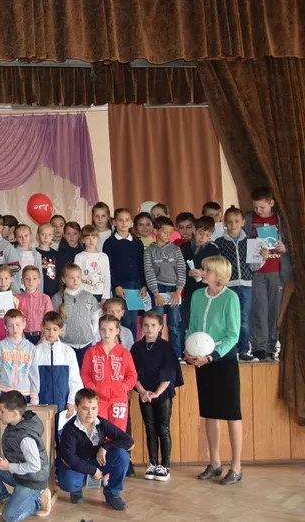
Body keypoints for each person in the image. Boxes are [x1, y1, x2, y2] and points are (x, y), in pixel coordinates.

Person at [186, 256, 244, 485]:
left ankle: (236, 467)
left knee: (232, 414)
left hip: (223, 361)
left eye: (207, 270)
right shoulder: (197, 295)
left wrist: (212, 356)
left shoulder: (231, 298)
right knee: (210, 413)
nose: (202, 272)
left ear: (218, 275)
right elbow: (192, 326)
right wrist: (188, 350)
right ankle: (215, 463)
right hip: (202, 360)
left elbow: (233, 335)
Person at [0, 391, 53, 521]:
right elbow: (17, 454)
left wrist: (9, 466)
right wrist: (1, 458)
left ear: (14, 414)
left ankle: (39, 500)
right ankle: (6, 500)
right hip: (19, 475)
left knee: (10, 517)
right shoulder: (15, 425)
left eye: (2, 411)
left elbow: (35, 466)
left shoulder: (26, 437)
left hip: (32, 481)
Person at [57, 388, 133, 511]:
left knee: (122, 455)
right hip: (77, 464)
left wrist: (105, 447)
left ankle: (112, 493)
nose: (90, 413)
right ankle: (76, 490)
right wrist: (93, 471)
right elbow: (70, 459)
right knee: (68, 482)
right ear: (76, 407)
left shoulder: (102, 423)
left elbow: (128, 441)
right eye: (85, 408)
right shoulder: (69, 429)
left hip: (98, 460)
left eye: (93, 408)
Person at [131, 311, 183, 481]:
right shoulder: (136, 348)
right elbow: (132, 373)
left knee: (163, 428)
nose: (149, 328)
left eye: (153, 325)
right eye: (146, 325)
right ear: (141, 327)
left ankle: (165, 465)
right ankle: (152, 463)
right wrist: (142, 391)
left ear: (160, 327)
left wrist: (157, 393)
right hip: (144, 394)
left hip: (162, 393)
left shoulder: (166, 347)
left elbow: (169, 373)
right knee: (150, 428)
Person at [244, 186, 290, 362]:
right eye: (255, 207)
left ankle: (271, 347)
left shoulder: (280, 219)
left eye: (262, 207)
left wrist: (285, 248)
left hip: (276, 271)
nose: (259, 211)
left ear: (271, 203)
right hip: (256, 271)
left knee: (273, 310)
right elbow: (242, 241)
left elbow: (290, 241)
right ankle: (259, 347)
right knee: (259, 309)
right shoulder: (249, 219)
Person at [215, 207, 259, 361]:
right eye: (229, 222)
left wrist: (262, 257)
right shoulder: (219, 243)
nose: (233, 225)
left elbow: (254, 267)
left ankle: (244, 350)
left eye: (236, 221)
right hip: (228, 286)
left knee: (244, 319)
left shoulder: (250, 242)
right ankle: (230, 349)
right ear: (224, 224)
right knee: (229, 319)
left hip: (246, 285)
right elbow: (218, 266)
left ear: (243, 222)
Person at [81, 315, 137, 432]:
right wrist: (93, 387)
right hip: (97, 400)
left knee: (117, 433)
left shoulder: (124, 353)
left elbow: (132, 376)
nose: (107, 333)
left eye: (111, 330)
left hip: (118, 400)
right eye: (103, 329)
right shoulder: (91, 352)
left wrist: (123, 387)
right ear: (99, 330)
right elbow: (85, 374)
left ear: (117, 331)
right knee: (98, 433)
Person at [144, 216, 187, 358]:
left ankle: (177, 354)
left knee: (174, 324)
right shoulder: (149, 251)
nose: (168, 235)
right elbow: (149, 272)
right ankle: (156, 354)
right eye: (165, 232)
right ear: (155, 231)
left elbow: (181, 270)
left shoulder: (176, 250)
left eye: (170, 233)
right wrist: (156, 293)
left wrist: (178, 291)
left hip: (174, 289)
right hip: (158, 289)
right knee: (156, 323)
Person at [102, 208, 147, 338]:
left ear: (131, 223)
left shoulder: (137, 243)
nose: (123, 223)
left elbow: (141, 265)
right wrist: (116, 285)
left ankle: (131, 348)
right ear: (114, 222)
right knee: (122, 320)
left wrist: (143, 285)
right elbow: (108, 267)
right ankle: (120, 345)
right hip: (120, 286)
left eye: (127, 220)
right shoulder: (109, 243)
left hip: (135, 286)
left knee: (133, 320)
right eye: (120, 220)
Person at [33, 311, 82, 428]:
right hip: (41, 405)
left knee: (61, 436)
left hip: (63, 405)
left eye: (55, 329)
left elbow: (75, 380)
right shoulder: (35, 351)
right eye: (47, 329)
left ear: (61, 330)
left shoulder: (68, 352)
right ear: (42, 328)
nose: (51, 333)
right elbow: (31, 379)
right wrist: (34, 403)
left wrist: (71, 402)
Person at [51, 263, 100, 366]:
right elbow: (53, 320)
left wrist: (92, 332)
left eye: (78, 277)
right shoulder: (57, 298)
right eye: (71, 277)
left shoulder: (88, 296)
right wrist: (62, 334)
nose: (75, 280)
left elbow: (95, 316)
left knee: (85, 370)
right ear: (64, 279)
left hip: (86, 344)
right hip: (66, 344)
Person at [0, 309, 40, 403]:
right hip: (4, 391)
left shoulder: (31, 348)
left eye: (17, 325)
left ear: (24, 324)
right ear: (5, 327)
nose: (15, 329)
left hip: (24, 393)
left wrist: (34, 396)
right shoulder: (0, 346)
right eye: (10, 325)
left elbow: (34, 373)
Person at [75, 224, 111, 301]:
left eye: (94, 237)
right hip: (84, 294)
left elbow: (107, 277)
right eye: (87, 238)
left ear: (98, 239)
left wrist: (105, 297)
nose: (91, 241)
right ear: (83, 240)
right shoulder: (79, 257)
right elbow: (77, 276)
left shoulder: (104, 256)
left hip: (100, 293)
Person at [8, 224, 43, 294]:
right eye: (20, 237)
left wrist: (39, 292)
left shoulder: (37, 255)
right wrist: (16, 291)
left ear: (30, 236)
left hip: (33, 289)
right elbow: (11, 274)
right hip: (18, 290)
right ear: (15, 238)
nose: (23, 239)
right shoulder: (13, 254)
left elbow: (40, 275)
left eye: (26, 236)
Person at [35, 224, 60, 300]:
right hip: (38, 290)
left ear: (53, 236)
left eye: (49, 235)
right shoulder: (34, 253)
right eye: (43, 234)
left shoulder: (56, 254)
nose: (46, 237)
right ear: (38, 235)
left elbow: (57, 273)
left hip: (53, 291)